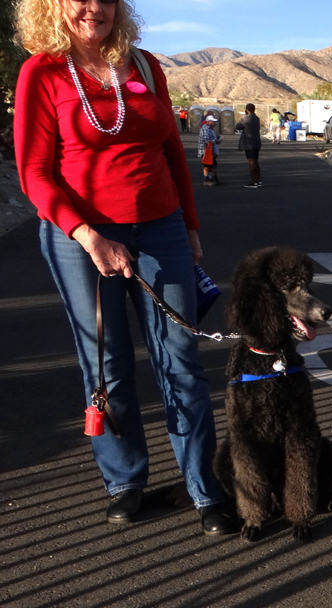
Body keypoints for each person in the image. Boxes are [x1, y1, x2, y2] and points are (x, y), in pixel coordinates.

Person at [13, 0, 234, 533]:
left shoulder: (144, 64)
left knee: (179, 357)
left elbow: (172, 153)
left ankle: (202, 486)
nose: (94, 8)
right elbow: (34, 173)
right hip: (80, 237)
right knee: (106, 364)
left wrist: (190, 225)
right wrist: (88, 235)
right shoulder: (40, 70)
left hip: (161, 228)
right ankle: (125, 479)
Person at [236, 102, 262, 189]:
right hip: (256, 141)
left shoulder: (245, 119)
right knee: (256, 161)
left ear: (247, 110)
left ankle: (253, 181)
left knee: (251, 162)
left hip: (249, 142)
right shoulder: (257, 118)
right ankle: (258, 180)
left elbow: (238, 126)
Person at [198, 114, 221, 186]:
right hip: (206, 151)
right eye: (213, 122)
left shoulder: (209, 129)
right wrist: (215, 141)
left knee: (212, 165)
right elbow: (206, 140)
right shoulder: (205, 128)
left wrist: (217, 137)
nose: (214, 123)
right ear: (208, 122)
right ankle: (207, 179)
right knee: (207, 165)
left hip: (210, 151)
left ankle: (212, 179)